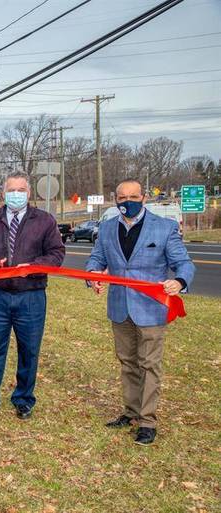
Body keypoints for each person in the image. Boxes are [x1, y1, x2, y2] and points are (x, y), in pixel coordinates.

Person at [86, 178, 194, 445]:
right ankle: (131, 412)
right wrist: (92, 275)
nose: (127, 203)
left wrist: (179, 282)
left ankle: (147, 421)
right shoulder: (108, 228)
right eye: (122, 198)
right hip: (120, 308)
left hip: (150, 309)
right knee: (128, 362)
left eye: (133, 197)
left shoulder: (164, 227)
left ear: (144, 198)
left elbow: (183, 263)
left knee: (149, 365)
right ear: (115, 200)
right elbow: (97, 259)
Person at [0, 171, 65, 419]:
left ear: (29, 193)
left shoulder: (44, 220)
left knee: (29, 350)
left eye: (21, 190)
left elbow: (56, 254)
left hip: (30, 296)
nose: (16, 194)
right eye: (12, 190)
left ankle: (23, 399)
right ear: (3, 193)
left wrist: (33, 266)